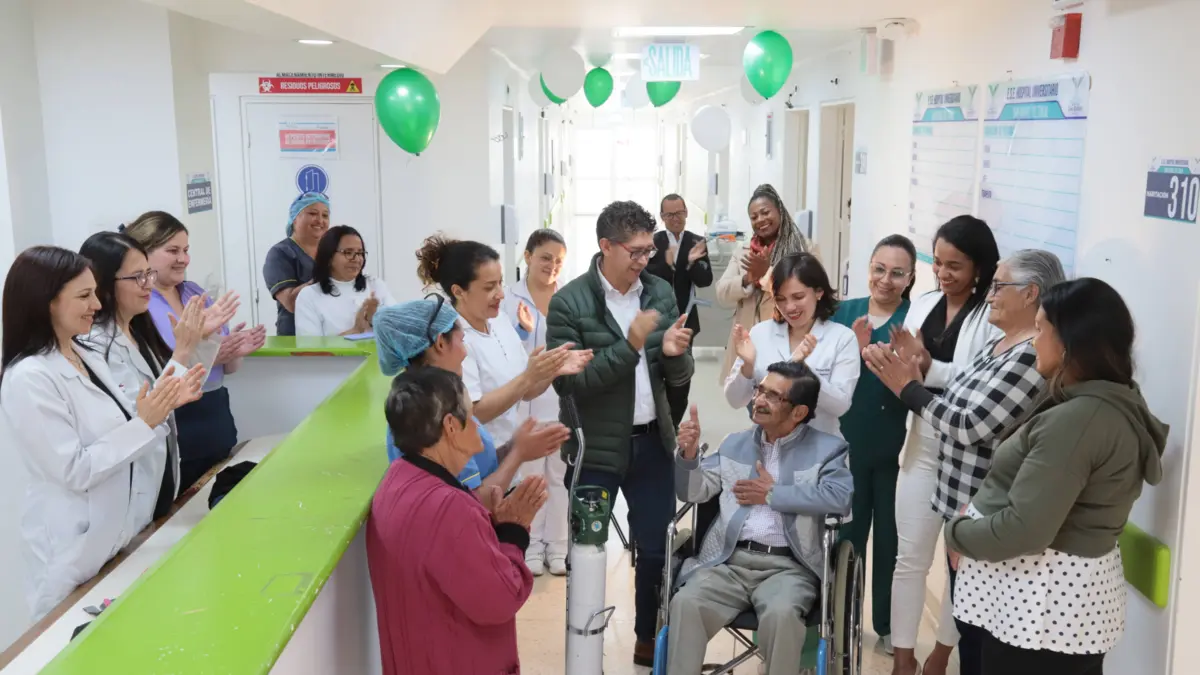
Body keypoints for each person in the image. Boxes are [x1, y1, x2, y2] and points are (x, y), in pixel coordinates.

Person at [945, 278, 1166, 675]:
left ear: (1069, 342)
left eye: (1040, 329)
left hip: (1040, 612)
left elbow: (1025, 530)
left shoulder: (1078, 421)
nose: (1033, 342)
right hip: (1053, 607)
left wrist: (956, 533)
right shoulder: (1104, 402)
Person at [864, 249, 1067, 675]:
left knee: (975, 632)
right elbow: (959, 391)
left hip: (981, 505)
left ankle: (939, 659)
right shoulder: (1003, 343)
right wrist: (921, 369)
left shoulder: (1031, 354)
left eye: (999, 286)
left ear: (1030, 294)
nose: (990, 295)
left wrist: (908, 389)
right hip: (955, 492)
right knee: (956, 602)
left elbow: (971, 424)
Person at [0, 247, 200, 619]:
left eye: (94, 292)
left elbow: (129, 422)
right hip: (71, 550)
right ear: (47, 303)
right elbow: (74, 469)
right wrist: (145, 423)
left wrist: (160, 408)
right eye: (84, 296)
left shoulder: (83, 354)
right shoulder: (29, 377)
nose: (96, 304)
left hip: (115, 537)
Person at [546, 199, 695, 666]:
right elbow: (570, 384)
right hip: (595, 449)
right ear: (605, 246)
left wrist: (674, 355)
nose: (643, 260)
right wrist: (630, 345)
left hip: (652, 442)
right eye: (634, 251)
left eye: (648, 250)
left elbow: (678, 376)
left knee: (655, 550)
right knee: (587, 551)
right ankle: (584, 648)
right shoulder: (570, 302)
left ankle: (647, 636)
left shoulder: (659, 292)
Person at [667, 361, 854, 675]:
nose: (759, 400)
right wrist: (688, 456)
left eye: (773, 396)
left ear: (799, 412)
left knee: (781, 616)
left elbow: (840, 498)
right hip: (728, 562)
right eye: (760, 390)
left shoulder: (827, 450)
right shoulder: (735, 444)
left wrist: (773, 494)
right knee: (686, 604)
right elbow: (692, 492)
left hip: (790, 568)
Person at [876, 216, 1002, 675]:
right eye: (939, 263)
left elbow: (979, 383)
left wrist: (927, 367)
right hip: (922, 446)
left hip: (970, 455)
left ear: (979, 268)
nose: (943, 274)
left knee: (960, 564)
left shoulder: (992, 317)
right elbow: (906, 372)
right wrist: (894, 361)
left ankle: (942, 653)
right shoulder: (924, 304)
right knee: (909, 558)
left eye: (955, 266)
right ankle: (902, 659)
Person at [366, 366, 547, 675]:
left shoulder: (396, 479)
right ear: (451, 426)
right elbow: (500, 599)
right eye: (471, 415)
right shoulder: (449, 509)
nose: (477, 425)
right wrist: (514, 532)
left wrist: (491, 527)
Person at [79, 232, 232, 511]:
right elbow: (145, 410)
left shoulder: (137, 330)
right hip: (127, 480)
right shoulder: (94, 344)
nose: (148, 284)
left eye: (148, 274)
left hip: (158, 470)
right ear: (104, 283)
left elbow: (180, 388)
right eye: (137, 277)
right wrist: (183, 349)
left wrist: (198, 341)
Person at [373, 299, 571, 509]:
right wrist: (518, 454)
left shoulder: (435, 398)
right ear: (441, 343)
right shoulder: (433, 413)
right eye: (462, 340)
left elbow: (479, 465)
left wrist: (514, 446)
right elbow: (471, 503)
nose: (466, 351)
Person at [124, 211, 266, 489]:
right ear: (144, 253)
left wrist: (235, 349)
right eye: (173, 251)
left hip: (214, 410)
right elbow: (152, 370)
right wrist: (209, 353)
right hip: (175, 417)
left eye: (186, 250)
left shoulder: (194, 293)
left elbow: (227, 368)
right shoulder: (141, 304)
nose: (183, 259)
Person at [416, 235, 590, 456]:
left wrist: (552, 367)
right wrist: (528, 376)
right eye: (490, 287)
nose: (500, 294)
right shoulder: (452, 340)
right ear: (459, 291)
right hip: (477, 456)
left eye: (500, 282)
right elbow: (472, 413)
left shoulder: (499, 321)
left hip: (510, 450)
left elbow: (526, 392)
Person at [830, 234, 918, 654]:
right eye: (879, 269)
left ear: (910, 278)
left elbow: (922, 379)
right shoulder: (842, 313)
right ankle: (840, 620)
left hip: (896, 450)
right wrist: (853, 350)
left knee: (891, 540)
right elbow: (820, 374)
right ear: (867, 268)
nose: (886, 280)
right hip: (846, 446)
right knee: (847, 536)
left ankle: (888, 627)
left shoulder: (913, 319)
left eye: (897, 273)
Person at [725, 252, 860, 439]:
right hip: (768, 444)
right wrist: (747, 367)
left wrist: (804, 372)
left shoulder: (842, 338)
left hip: (820, 446)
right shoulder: (760, 333)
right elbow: (735, 400)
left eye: (798, 297)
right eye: (781, 299)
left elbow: (840, 406)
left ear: (819, 292)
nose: (789, 307)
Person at [501, 229, 572, 576]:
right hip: (523, 404)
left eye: (558, 261)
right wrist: (522, 331)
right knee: (530, 479)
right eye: (545, 258)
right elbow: (501, 346)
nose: (552, 266)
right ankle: (530, 546)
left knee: (558, 478)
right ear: (528, 257)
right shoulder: (507, 299)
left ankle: (558, 546)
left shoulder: (569, 297)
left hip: (560, 402)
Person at [716, 184, 817, 384]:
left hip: (787, 340)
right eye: (754, 217)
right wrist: (747, 280)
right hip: (748, 343)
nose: (760, 220)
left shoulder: (804, 249)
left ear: (780, 211)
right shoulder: (743, 252)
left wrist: (767, 274)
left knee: (781, 393)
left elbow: (810, 292)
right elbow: (721, 293)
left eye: (765, 212)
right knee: (748, 397)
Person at [646, 194, 713, 426]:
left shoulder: (697, 242)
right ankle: (657, 424)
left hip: (686, 321)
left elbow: (705, 280)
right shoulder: (652, 242)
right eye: (670, 214)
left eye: (680, 213)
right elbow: (644, 277)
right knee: (656, 374)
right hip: (655, 323)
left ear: (686, 212)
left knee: (682, 377)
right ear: (662, 217)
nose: (676, 218)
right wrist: (669, 263)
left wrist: (691, 262)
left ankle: (673, 426)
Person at [295, 225, 395, 336]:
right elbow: (309, 346)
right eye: (348, 252)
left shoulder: (375, 285)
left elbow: (399, 328)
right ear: (329, 257)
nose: (356, 259)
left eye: (360, 253)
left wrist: (374, 321)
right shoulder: (309, 296)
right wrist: (355, 331)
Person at [264, 192, 330, 335]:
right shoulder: (280, 254)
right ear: (294, 219)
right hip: (295, 339)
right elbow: (291, 302)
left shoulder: (332, 253)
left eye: (325, 215)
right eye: (313, 213)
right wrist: (325, 277)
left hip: (332, 336)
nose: (320, 220)